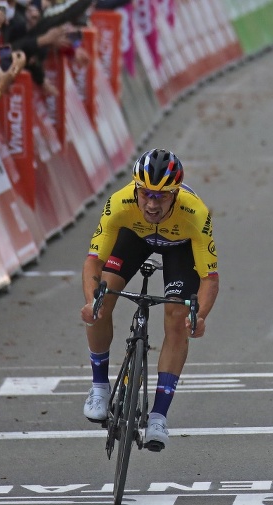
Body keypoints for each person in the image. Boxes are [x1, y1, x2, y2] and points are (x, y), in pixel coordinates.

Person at [79, 149, 219, 451]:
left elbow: (209, 278)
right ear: (136, 189)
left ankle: (158, 417)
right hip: (134, 237)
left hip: (179, 247)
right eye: (146, 194)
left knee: (177, 318)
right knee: (102, 301)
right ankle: (100, 387)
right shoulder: (120, 203)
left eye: (162, 196)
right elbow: (93, 260)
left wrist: (200, 315)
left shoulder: (195, 213)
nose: (152, 204)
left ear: (176, 193)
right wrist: (92, 301)